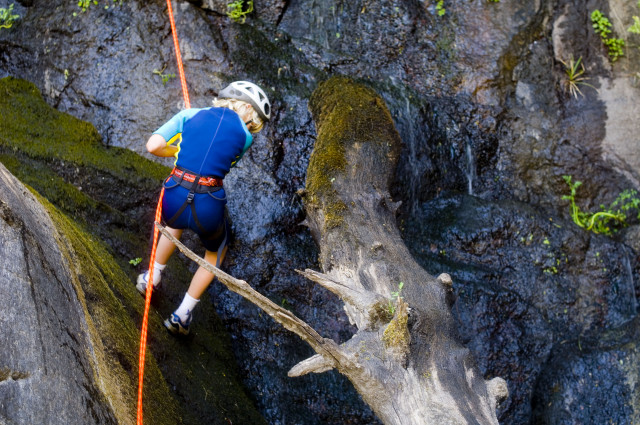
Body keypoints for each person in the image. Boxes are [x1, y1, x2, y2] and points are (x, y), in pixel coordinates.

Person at [137, 81, 271, 336]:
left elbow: (153, 146)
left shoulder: (189, 115)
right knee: (216, 252)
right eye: (253, 119)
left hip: (174, 193)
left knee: (172, 227)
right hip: (208, 203)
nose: (252, 126)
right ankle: (183, 314)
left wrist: (177, 151)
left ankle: (150, 279)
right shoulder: (246, 138)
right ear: (244, 107)